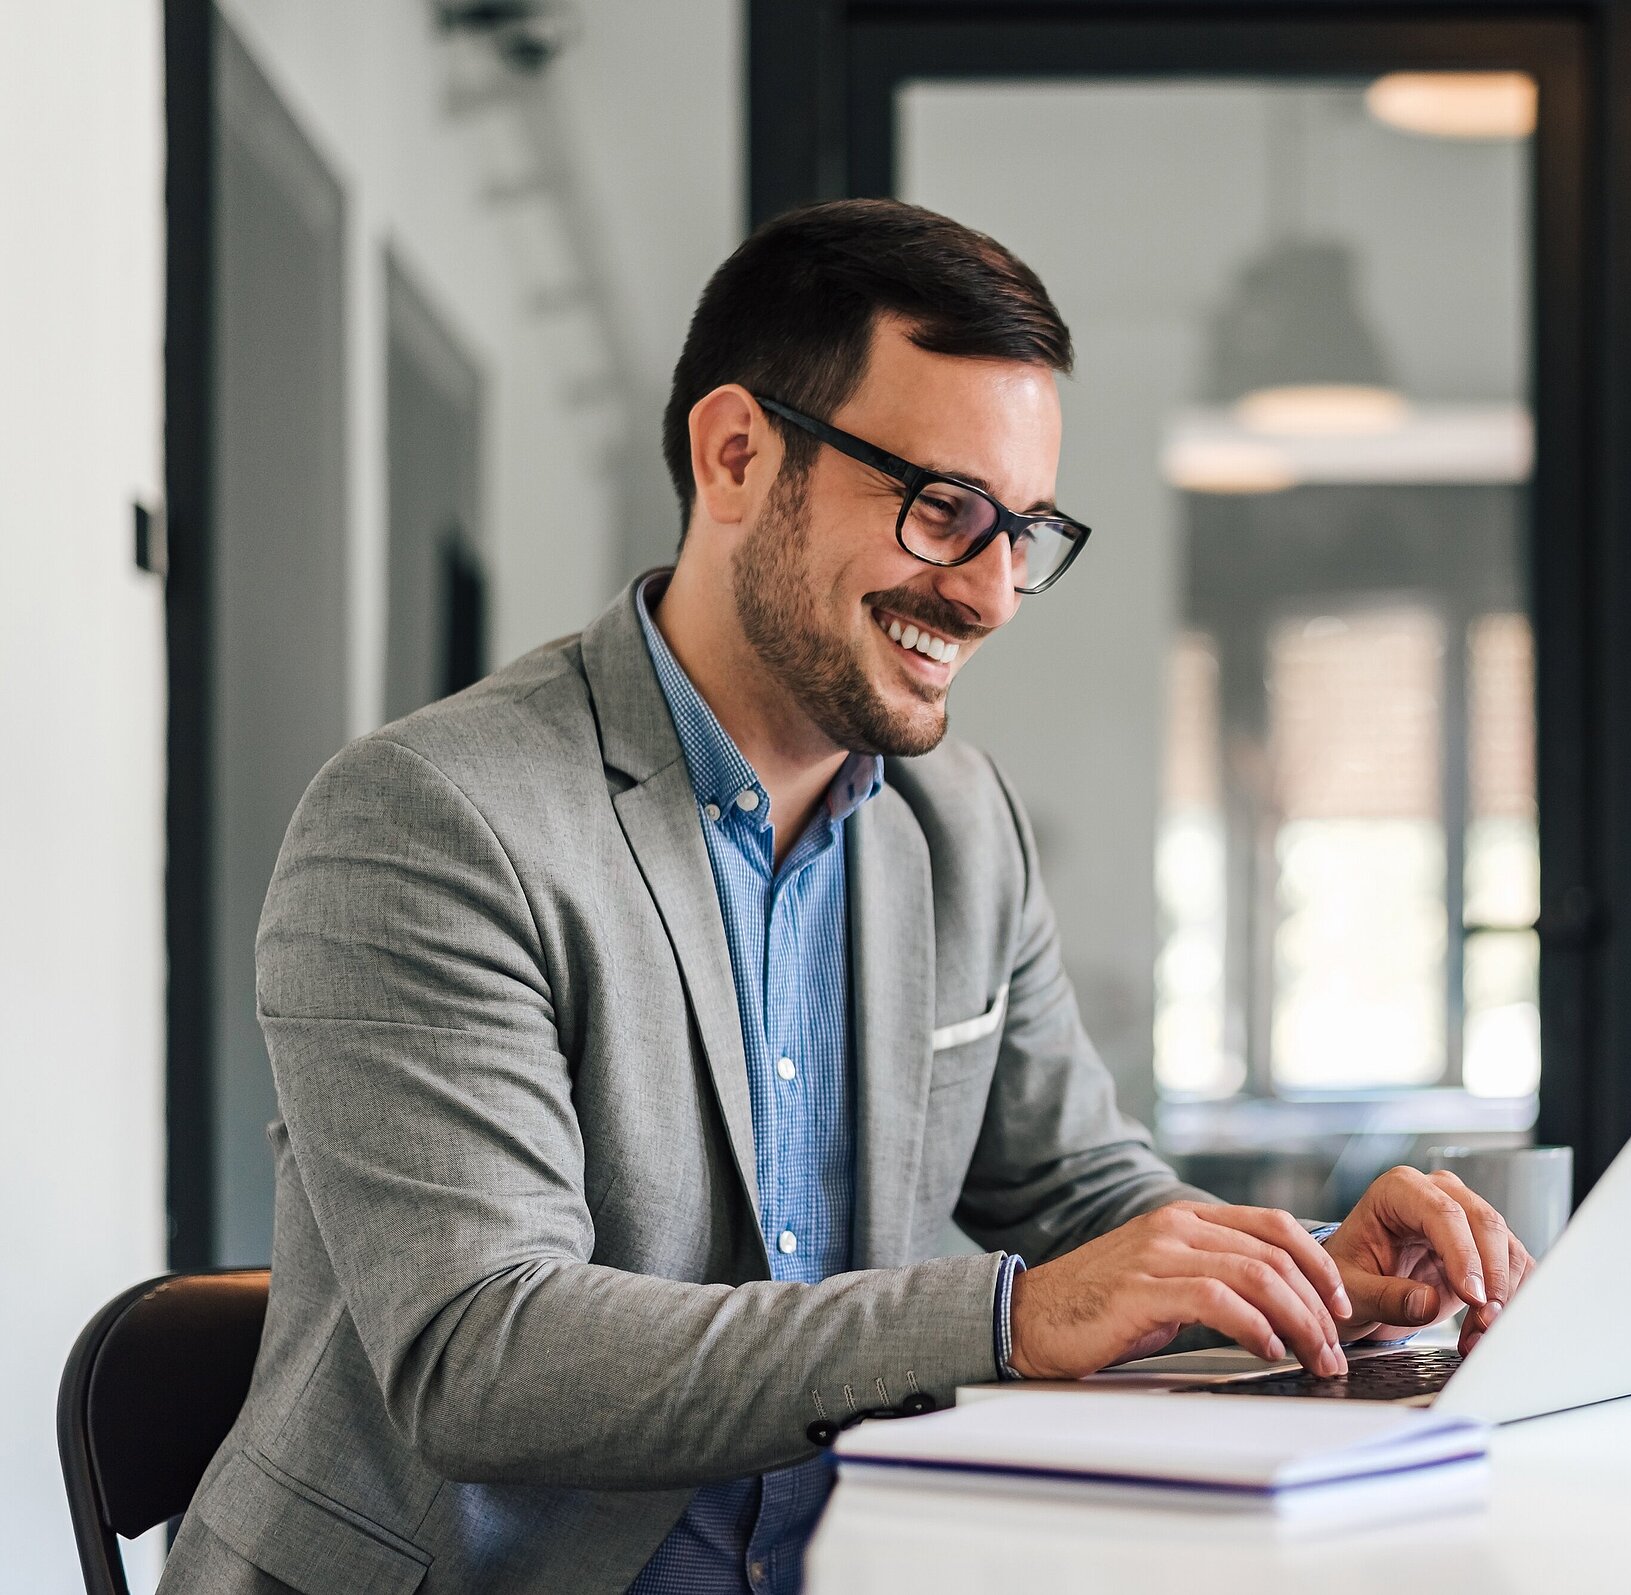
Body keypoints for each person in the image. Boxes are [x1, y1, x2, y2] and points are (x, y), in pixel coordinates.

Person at [160, 199, 1533, 1595]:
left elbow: (1073, 1189)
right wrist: (1005, 1316)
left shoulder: (962, 828)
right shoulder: (434, 818)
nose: (992, 594)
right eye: (945, 512)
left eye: (1026, 532)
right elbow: (484, 1358)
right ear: (738, 455)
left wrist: (1299, 1270)